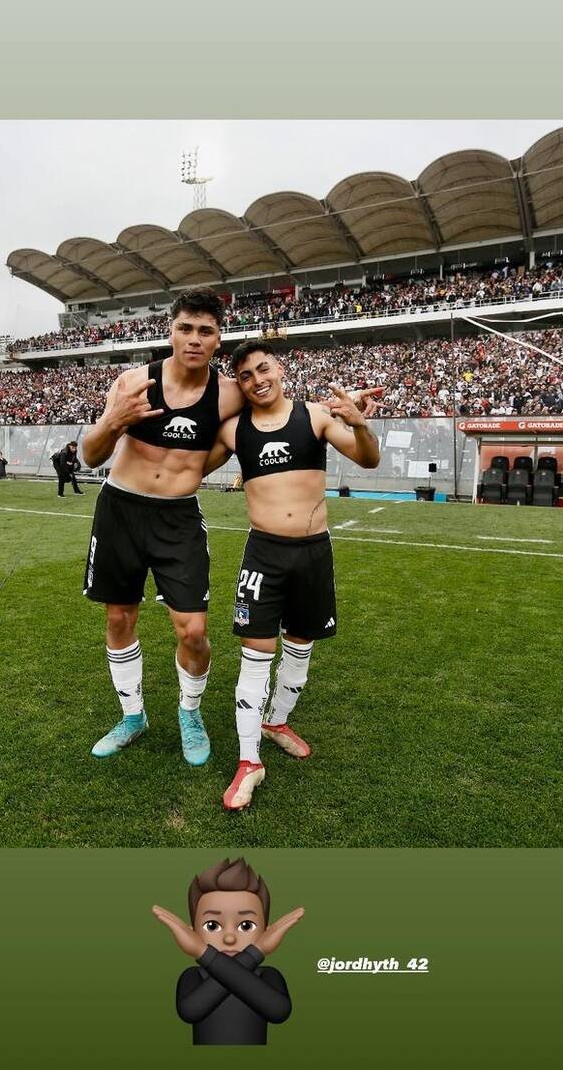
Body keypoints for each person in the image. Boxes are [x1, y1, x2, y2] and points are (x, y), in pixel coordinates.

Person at [204, 338, 381, 810]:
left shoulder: (315, 417)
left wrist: (360, 423)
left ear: (278, 367)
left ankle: (276, 721)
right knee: (255, 652)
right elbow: (186, 467)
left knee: (301, 644)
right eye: (246, 376)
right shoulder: (232, 430)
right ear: (238, 384)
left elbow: (369, 458)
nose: (258, 380)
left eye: (263, 369)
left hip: (313, 554)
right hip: (264, 554)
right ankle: (249, 762)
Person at [80, 288, 244, 765]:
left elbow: (259, 427)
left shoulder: (229, 394)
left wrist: (201, 466)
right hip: (120, 509)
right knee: (119, 616)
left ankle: (188, 713)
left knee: (193, 631)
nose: (194, 339)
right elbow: (91, 455)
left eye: (205, 331)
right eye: (185, 329)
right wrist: (115, 419)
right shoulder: (134, 382)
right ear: (171, 332)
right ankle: (133, 716)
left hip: (177, 517)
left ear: (218, 339)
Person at [152, 857, 301, 1046]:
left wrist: (203, 953)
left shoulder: (268, 975)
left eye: (246, 926)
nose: (229, 939)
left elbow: (279, 1011)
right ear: (193, 932)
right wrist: (257, 951)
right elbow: (190, 1011)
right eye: (212, 926)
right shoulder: (192, 975)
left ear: (266, 930)